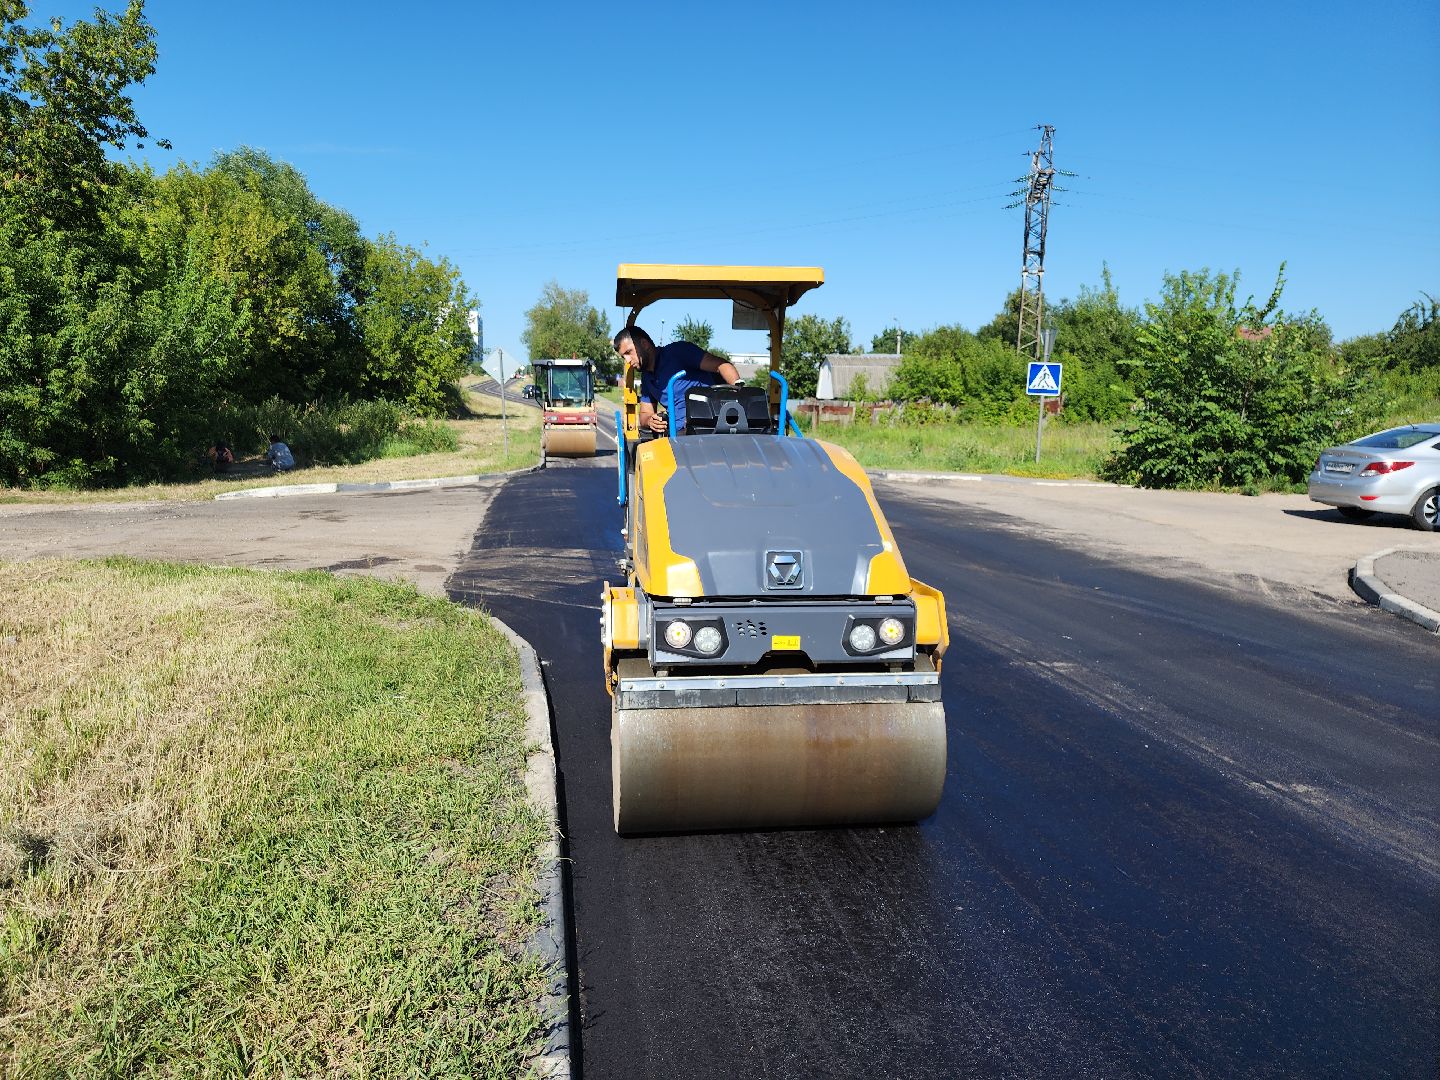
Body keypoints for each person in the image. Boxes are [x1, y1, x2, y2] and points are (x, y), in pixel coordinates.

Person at [613, 325, 742, 435]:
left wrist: (741, 394)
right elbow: (645, 413)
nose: (628, 361)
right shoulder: (647, 377)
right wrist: (650, 420)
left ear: (644, 344)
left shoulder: (678, 352)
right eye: (624, 357)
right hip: (678, 436)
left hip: (709, 428)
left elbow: (722, 366)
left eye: (629, 352)